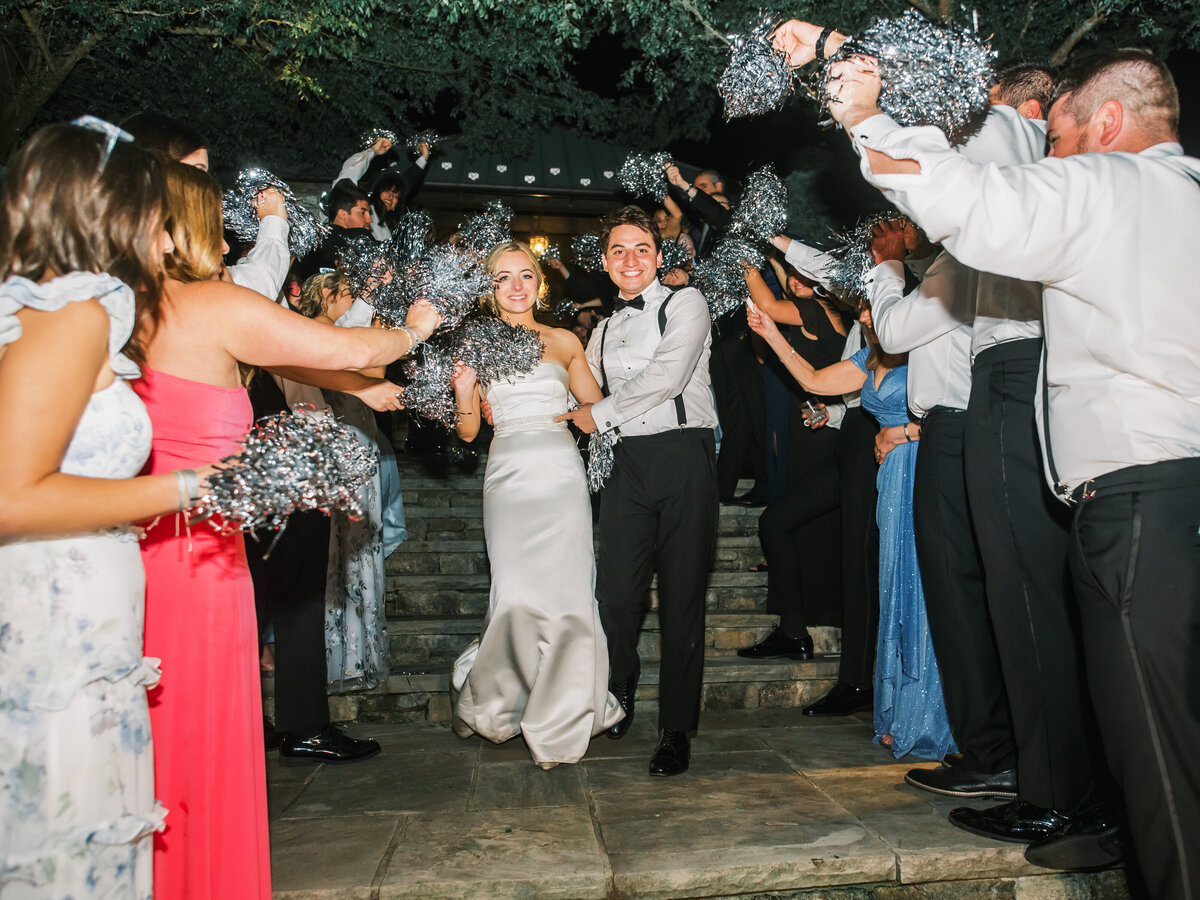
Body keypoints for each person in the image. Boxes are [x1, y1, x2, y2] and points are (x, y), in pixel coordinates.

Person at [805, 35, 1198, 892]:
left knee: (1164, 762)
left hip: (1137, 494)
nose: (1048, 158)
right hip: (1180, 486)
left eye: (1055, 142)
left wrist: (866, 110)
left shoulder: (1112, 181)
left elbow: (972, 200)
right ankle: (1104, 819)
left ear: (1108, 122)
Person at [133, 159, 441, 899]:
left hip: (140, 548)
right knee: (197, 740)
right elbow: (345, 346)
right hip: (197, 560)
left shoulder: (126, 308)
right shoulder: (209, 301)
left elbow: (285, 355)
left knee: (153, 739)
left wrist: (372, 388)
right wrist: (413, 327)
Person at [0, 119, 215, 900]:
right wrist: (192, 487)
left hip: (80, 616)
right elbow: (10, 495)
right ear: (115, 215)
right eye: (158, 220)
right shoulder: (74, 312)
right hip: (55, 624)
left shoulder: (43, 306)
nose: (165, 242)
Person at [748, 294, 955, 761]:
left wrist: (901, 432)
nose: (864, 317)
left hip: (925, 470)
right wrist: (771, 336)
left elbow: (960, 410)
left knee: (923, 590)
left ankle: (935, 718)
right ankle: (904, 711)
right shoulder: (869, 356)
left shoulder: (930, 348)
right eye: (863, 309)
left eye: (873, 308)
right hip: (892, 479)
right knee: (895, 589)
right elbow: (816, 380)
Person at [559, 206, 720, 777]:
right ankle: (619, 687)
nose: (631, 260)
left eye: (642, 249)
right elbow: (577, 386)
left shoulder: (687, 303)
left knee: (681, 598)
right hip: (623, 463)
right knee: (617, 596)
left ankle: (676, 728)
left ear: (658, 256)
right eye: (619, 251)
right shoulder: (600, 329)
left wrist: (596, 414)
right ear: (605, 263)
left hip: (682, 455)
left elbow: (668, 377)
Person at [449, 241, 623, 768]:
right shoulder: (475, 344)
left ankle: (563, 715)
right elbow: (469, 430)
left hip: (560, 474)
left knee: (570, 596)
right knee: (516, 595)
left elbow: (596, 409)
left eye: (526, 275)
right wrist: (462, 392)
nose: (517, 286)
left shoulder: (565, 340)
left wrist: (587, 413)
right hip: (508, 477)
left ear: (539, 283)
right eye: (504, 278)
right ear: (489, 288)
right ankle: (500, 702)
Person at [294, 271, 392, 693]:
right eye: (350, 294)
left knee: (360, 546)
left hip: (360, 437)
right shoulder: (309, 333)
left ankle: (360, 653)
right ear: (329, 294)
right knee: (338, 548)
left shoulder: (346, 333)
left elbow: (378, 367)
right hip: (331, 447)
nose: (355, 302)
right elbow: (364, 365)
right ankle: (338, 657)